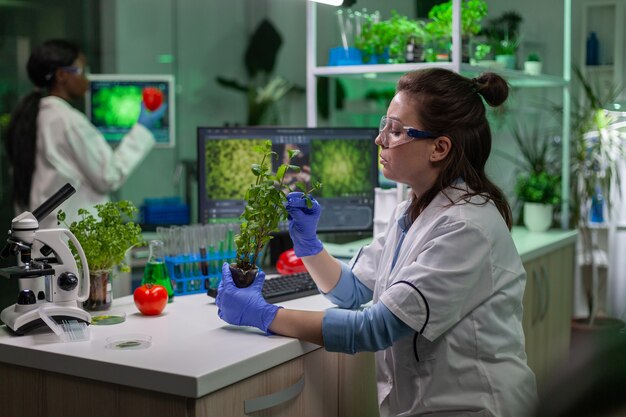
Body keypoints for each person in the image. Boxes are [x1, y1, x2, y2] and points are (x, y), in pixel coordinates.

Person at [215, 68, 538, 416]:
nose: (380, 139)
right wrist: (307, 243)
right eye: (384, 125)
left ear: (439, 148)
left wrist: (264, 314)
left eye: (396, 131)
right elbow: (353, 290)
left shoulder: (467, 227)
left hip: (475, 407)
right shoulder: (411, 211)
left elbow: (375, 328)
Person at [3, 39, 165, 229]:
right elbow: (108, 176)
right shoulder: (68, 120)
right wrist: (143, 129)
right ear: (62, 75)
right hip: (70, 240)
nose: (87, 78)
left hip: (42, 237)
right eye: (82, 70)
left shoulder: (31, 117)